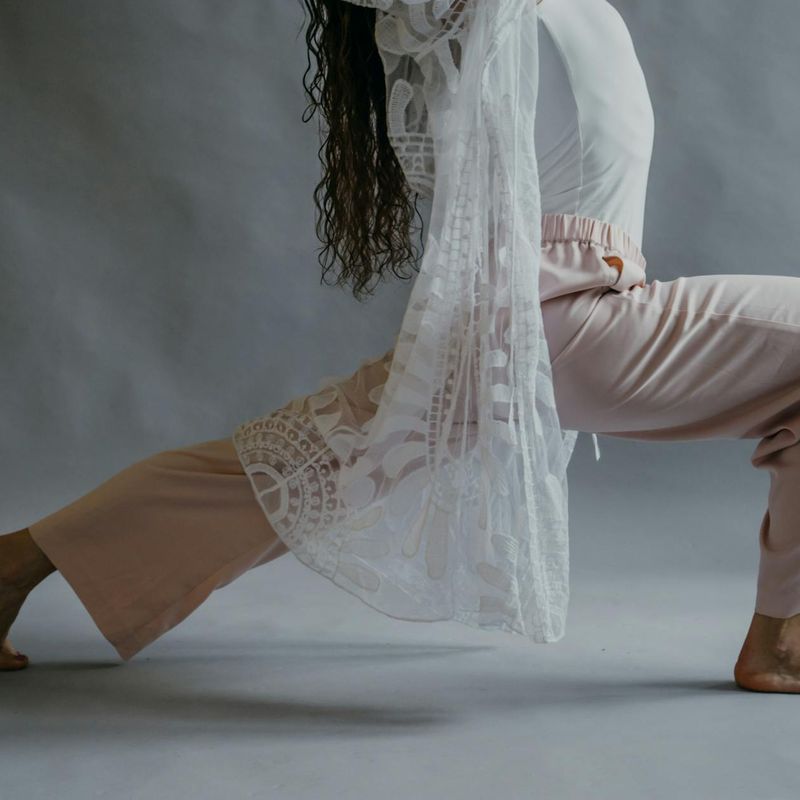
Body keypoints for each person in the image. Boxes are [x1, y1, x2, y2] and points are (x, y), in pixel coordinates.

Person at [3, 0, 800, 695]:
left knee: (284, 470)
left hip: (521, 329)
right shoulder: (481, 14)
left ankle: (16, 562)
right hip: (567, 320)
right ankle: (780, 637)